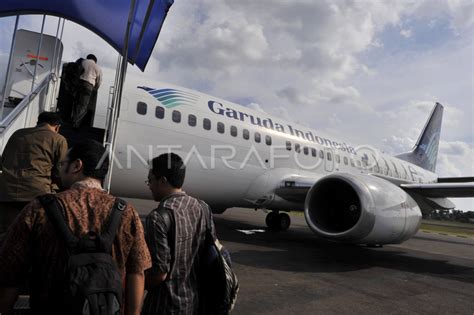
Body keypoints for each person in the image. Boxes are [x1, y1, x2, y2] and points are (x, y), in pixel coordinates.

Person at [0, 140, 152, 315]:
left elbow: (10, 272)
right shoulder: (127, 213)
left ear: (77, 166)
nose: (58, 168)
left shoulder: (39, 208)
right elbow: (137, 273)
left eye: (63, 163)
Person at [142, 153, 218, 315]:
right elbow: (214, 251)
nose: (149, 185)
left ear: (162, 181)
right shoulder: (203, 208)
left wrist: (138, 284)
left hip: (163, 306)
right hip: (194, 302)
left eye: (150, 180)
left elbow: (159, 273)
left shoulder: (157, 218)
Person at [0, 111, 68, 240]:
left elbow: (3, 161)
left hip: (6, 193)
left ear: (38, 123)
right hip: (36, 194)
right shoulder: (58, 139)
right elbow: (60, 171)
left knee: (5, 237)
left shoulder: (17, 134)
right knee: (32, 237)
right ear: (57, 127)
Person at [72, 54, 102, 128]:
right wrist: (95, 88)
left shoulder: (82, 62)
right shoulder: (97, 67)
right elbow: (99, 81)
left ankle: (72, 118)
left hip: (78, 83)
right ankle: (76, 124)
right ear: (95, 60)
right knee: (83, 106)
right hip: (88, 87)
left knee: (76, 102)